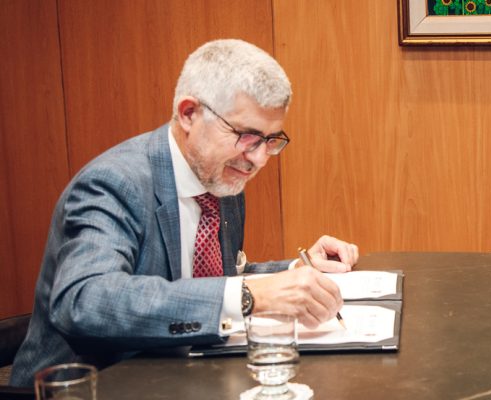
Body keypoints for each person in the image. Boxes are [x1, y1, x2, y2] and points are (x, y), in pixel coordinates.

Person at [10, 39, 359, 387]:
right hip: (91, 387)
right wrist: (251, 296)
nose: (259, 159)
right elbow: (85, 299)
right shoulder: (115, 182)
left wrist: (296, 270)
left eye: (270, 140)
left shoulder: (222, 179)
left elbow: (201, 282)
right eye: (247, 136)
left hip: (179, 379)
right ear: (189, 113)